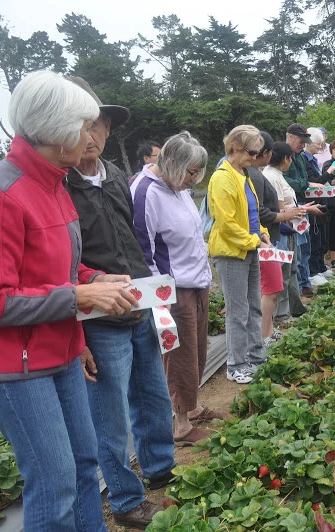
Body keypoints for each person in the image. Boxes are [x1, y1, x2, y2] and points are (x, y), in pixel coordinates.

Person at [0, 71, 137, 532]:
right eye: (87, 125)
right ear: (59, 129)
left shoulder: (55, 183)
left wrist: (96, 278)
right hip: (18, 366)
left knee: (83, 463)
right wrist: (79, 294)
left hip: (64, 350)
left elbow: (63, 270)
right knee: (53, 481)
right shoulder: (0, 192)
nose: (93, 136)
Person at [65, 76, 174, 528]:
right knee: (109, 418)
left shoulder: (114, 178)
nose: (93, 135)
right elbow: (60, 263)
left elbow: (133, 238)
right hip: (98, 314)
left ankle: (161, 471)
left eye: (101, 124)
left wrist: (153, 288)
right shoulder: (60, 185)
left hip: (140, 301)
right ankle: (127, 501)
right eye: (83, 124)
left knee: (152, 393)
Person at [131, 131, 227, 447]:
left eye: (198, 172)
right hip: (171, 291)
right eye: (191, 172)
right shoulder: (145, 192)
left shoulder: (179, 189)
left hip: (195, 282)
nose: (194, 179)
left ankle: (193, 406)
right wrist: (160, 300)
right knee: (178, 355)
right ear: (171, 163)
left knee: (197, 349)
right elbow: (143, 251)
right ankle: (181, 423)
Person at [208, 125, 273, 384]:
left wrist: (263, 233)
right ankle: (236, 364)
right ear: (234, 147)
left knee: (254, 305)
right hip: (231, 253)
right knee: (237, 311)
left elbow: (252, 213)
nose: (255, 156)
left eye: (257, 151)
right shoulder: (221, 178)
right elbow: (226, 223)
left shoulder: (243, 173)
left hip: (249, 247)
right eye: (251, 151)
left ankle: (256, 355)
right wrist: (254, 241)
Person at [249, 132, 310, 346]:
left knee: (275, 285)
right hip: (266, 238)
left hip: (268, 235)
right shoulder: (262, 176)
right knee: (271, 286)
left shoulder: (259, 174)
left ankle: (269, 330)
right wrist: (285, 215)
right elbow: (262, 211)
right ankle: (264, 333)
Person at [264, 142, 310, 325]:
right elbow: (281, 209)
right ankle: (281, 314)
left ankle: (294, 307)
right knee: (282, 272)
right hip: (281, 231)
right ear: (286, 158)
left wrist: (301, 209)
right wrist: (299, 212)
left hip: (289, 229)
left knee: (291, 270)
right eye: (290, 158)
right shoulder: (272, 177)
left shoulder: (277, 175)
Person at [284, 123, 320, 296]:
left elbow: (303, 177)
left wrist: (306, 184)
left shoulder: (299, 156)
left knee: (305, 245)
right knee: (297, 249)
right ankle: (297, 288)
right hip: (290, 207)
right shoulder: (283, 156)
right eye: (300, 141)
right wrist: (305, 184)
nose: (302, 145)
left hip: (302, 204)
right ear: (290, 137)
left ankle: (305, 283)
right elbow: (286, 181)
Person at [304, 128, 331, 287]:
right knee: (314, 238)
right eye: (318, 145)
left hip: (319, 201)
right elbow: (315, 181)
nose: (320, 148)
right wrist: (329, 173)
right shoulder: (304, 160)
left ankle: (320, 266)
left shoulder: (312, 160)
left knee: (321, 237)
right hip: (311, 203)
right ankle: (313, 271)